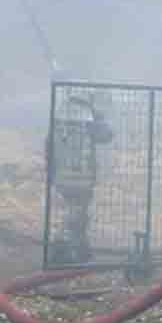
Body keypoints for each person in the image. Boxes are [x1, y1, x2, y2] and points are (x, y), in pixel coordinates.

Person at [50, 93, 113, 265]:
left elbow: (49, 146)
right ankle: (62, 248)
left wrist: (52, 173)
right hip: (83, 177)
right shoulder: (88, 119)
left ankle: (80, 249)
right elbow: (107, 135)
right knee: (77, 213)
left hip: (62, 176)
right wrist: (99, 116)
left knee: (75, 212)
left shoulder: (59, 117)